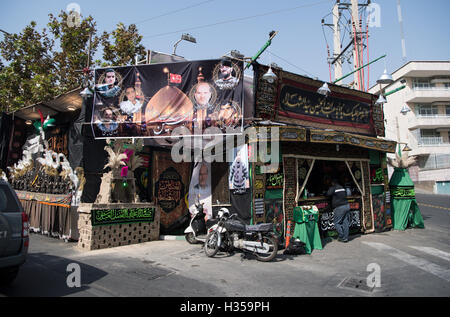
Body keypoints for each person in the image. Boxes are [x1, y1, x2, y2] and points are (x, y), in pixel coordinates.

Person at [326, 178, 351, 242]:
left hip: (340, 207)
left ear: (332, 183)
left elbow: (328, 194)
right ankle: (345, 238)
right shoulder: (342, 187)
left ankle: (341, 236)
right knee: (345, 222)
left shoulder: (333, 187)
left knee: (336, 222)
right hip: (347, 205)